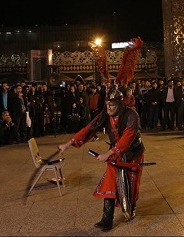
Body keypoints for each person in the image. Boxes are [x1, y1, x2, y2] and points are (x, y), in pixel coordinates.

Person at [58, 88, 145, 231]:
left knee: (132, 183)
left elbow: (128, 138)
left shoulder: (132, 115)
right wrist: (68, 144)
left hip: (133, 154)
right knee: (110, 183)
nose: (109, 107)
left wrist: (109, 153)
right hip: (115, 155)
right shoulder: (105, 114)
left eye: (112, 105)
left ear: (120, 104)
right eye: (107, 104)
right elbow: (89, 129)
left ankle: (131, 208)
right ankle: (107, 219)